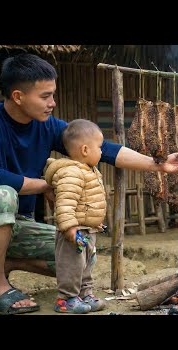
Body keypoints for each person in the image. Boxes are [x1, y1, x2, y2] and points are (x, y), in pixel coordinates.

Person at [0, 53, 178, 315]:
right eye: (45, 96)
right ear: (17, 96)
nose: (53, 103)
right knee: (2, 194)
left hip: (16, 226)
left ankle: (4, 263)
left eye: (53, 94)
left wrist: (157, 164)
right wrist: (47, 186)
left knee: (83, 248)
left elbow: (102, 149)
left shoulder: (46, 126)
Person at [44, 119, 107, 313]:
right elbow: (64, 204)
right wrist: (70, 228)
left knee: (86, 263)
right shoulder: (72, 173)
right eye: (100, 147)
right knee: (72, 264)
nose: (102, 151)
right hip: (75, 231)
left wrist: (96, 222)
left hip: (87, 229)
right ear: (86, 150)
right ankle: (67, 298)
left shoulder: (89, 171)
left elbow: (89, 201)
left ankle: (85, 293)